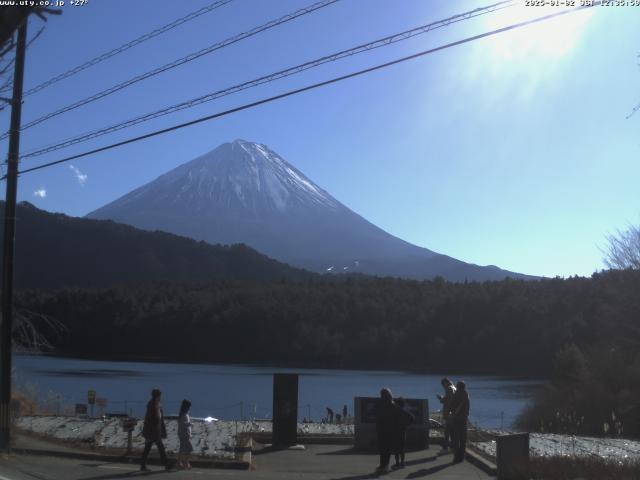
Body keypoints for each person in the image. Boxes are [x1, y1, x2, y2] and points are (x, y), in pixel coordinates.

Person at [140, 388, 171, 471]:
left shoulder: (155, 404)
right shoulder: (153, 405)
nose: (161, 397)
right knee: (159, 447)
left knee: (149, 448)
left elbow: (158, 418)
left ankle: (143, 465)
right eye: (160, 395)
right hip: (153, 431)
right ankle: (166, 464)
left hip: (153, 430)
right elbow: (154, 419)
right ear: (157, 396)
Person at [450, 381, 470, 463]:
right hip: (464, 418)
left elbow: (452, 406)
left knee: (455, 438)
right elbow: (467, 407)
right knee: (463, 438)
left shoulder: (456, 394)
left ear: (457, 386)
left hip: (456, 418)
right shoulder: (466, 395)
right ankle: (462, 456)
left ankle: (456, 456)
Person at [376, 388, 395, 474]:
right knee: (387, 449)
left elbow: (376, 414)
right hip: (390, 429)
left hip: (381, 428)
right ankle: (385, 466)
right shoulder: (392, 405)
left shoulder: (379, 404)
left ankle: (382, 465)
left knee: (382, 448)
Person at [392, 397, 414, 469]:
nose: (394, 404)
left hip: (395, 432)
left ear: (398, 404)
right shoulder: (404, 412)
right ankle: (402, 462)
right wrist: (406, 425)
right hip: (402, 431)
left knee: (396, 448)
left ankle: (397, 463)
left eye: (395, 403)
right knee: (402, 448)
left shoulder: (395, 411)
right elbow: (412, 418)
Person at [437, 377, 456, 451]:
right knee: (451, 430)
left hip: (449, 412)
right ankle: (451, 445)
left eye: (443, 384)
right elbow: (450, 399)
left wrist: (441, 399)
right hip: (453, 412)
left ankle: (446, 446)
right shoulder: (454, 387)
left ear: (445, 383)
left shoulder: (449, 389)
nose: (443, 386)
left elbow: (449, 401)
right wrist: (443, 398)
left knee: (447, 430)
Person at [177, 399, 193, 470]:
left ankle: (179, 463)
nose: (189, 408)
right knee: (189, 449)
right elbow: (183, 424)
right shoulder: (184, 415)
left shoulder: (184, 414)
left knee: (182, 449)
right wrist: (189, 424)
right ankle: (186, 462)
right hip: (184, 435)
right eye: (189, 407)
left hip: (184, 434)